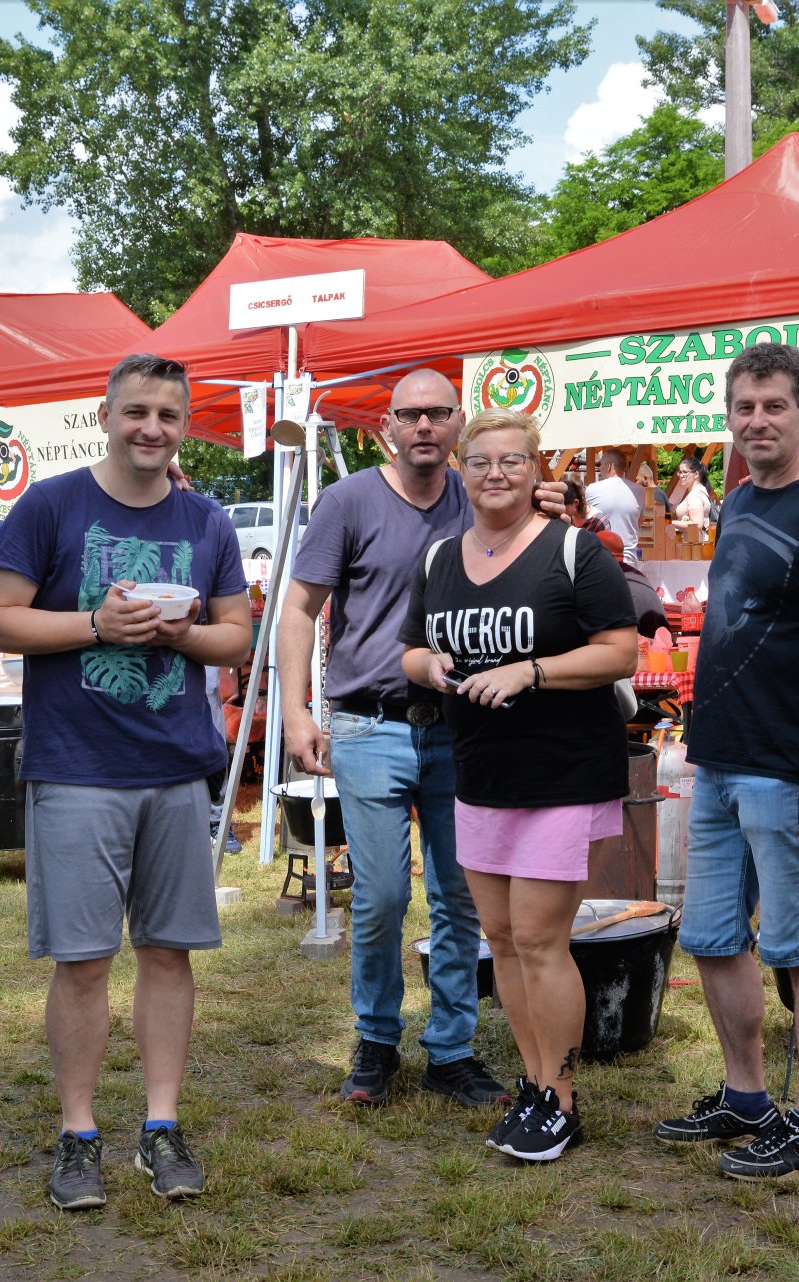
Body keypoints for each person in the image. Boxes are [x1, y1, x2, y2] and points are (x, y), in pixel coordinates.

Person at [0, 354, 251, 1212]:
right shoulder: (53, 504)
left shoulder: (206, 521)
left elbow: (235, 635)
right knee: (85, 962)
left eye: (168, 416)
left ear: (183, 424)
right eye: (136, 412)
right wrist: (97, 623)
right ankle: (79, 1133)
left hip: (175, 768)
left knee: (168, 954)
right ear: (107, 414)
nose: (151, 429)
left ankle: (162, 1129)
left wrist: (179, 636)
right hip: (78, 768)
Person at [653, 342, 799, 1180]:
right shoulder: (738, 501)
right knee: (710, 937)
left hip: (792, 771)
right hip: (720, 759)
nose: (758, 420)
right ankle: (746, 1095)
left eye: (774, 405)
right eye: (744, 407)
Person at [400, 409, 637, 1161]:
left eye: (511, 461)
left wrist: (530, 671)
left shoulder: (574, 552)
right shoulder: (439, 557)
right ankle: (534, 1084)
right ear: (460, 472)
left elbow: (620, 653)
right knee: (499, 939)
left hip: (561, 774)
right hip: (479, 774)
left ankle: (562, 1100)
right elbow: (409, 649)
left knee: (539, 938)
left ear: (535, 470)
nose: (495, 473)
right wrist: (429, 668)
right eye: (481, 462)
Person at [278, 368, 510, 1112]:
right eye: (410, 416)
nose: (424, 428)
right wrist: (295, 711)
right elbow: (298, 608)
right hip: (369, 722)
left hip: (463, 723)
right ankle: (377, 1038)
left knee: (459, 896)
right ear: (386, 425)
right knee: (379, 896)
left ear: (458, 421)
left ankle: (451, 1049)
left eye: (438, 414)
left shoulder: (476, 500)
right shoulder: (348, 501)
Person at [584, 448, 644, 562]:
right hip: (629, 558)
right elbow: (639, 520)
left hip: (601, 558)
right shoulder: (640, 491)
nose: (599, 468)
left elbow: (584, 520)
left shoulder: (592, 489)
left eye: (600, 464)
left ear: (609, 466)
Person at [668, 455, 717, 534]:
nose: (681, 476)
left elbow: (696, 524)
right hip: (696, 541)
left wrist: (670, 523)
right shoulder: (700, 490)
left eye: (685, 472)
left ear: (696, 474)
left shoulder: (695, 495)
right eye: (680, 472)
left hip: (695, 543)